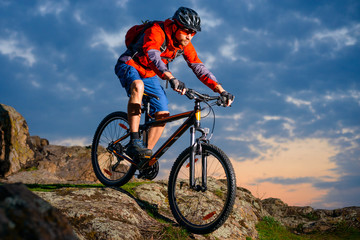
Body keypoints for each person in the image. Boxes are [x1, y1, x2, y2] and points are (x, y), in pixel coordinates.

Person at [115, 7, 234, 168]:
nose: (190, 36)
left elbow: (198, 67)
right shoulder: (156, 31)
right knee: (138, 85)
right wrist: (170, 77)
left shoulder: (185, 44)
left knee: (163, 113)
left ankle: (144, 157)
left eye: (193, 33)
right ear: (175, 25)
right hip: (130, 65)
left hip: (150, 74)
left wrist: (220, 90)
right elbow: (153, 56)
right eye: (187, 31)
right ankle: (135, 139)